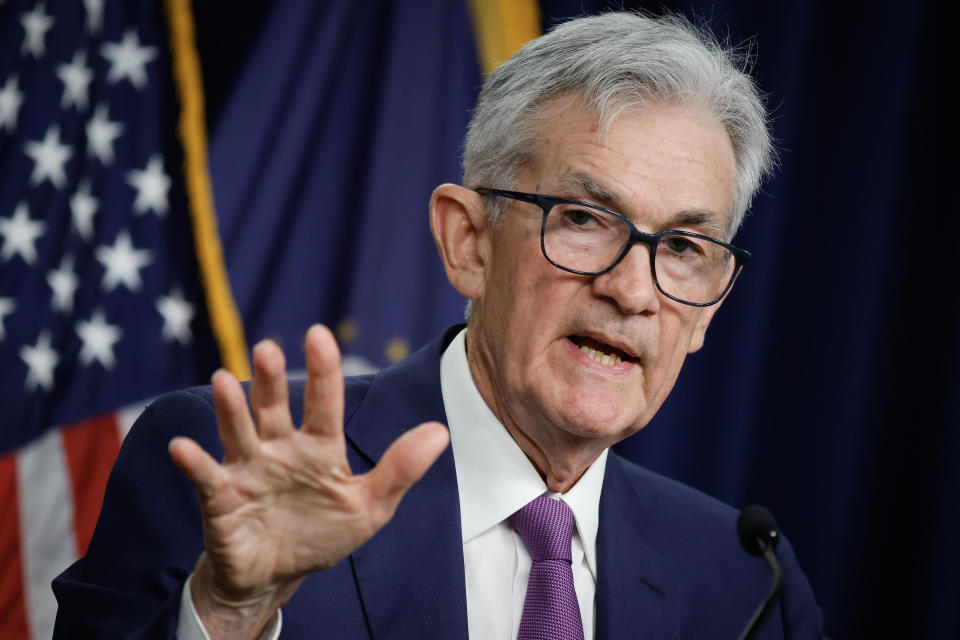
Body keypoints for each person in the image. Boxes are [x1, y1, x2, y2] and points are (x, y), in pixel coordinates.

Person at [53, 11, 826, 640]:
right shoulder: (222, 465)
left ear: (710, 310)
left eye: (685, 247)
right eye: (586, 218)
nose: (633, 291)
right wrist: (228, 611)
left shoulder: (747, 581)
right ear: (469, 242)